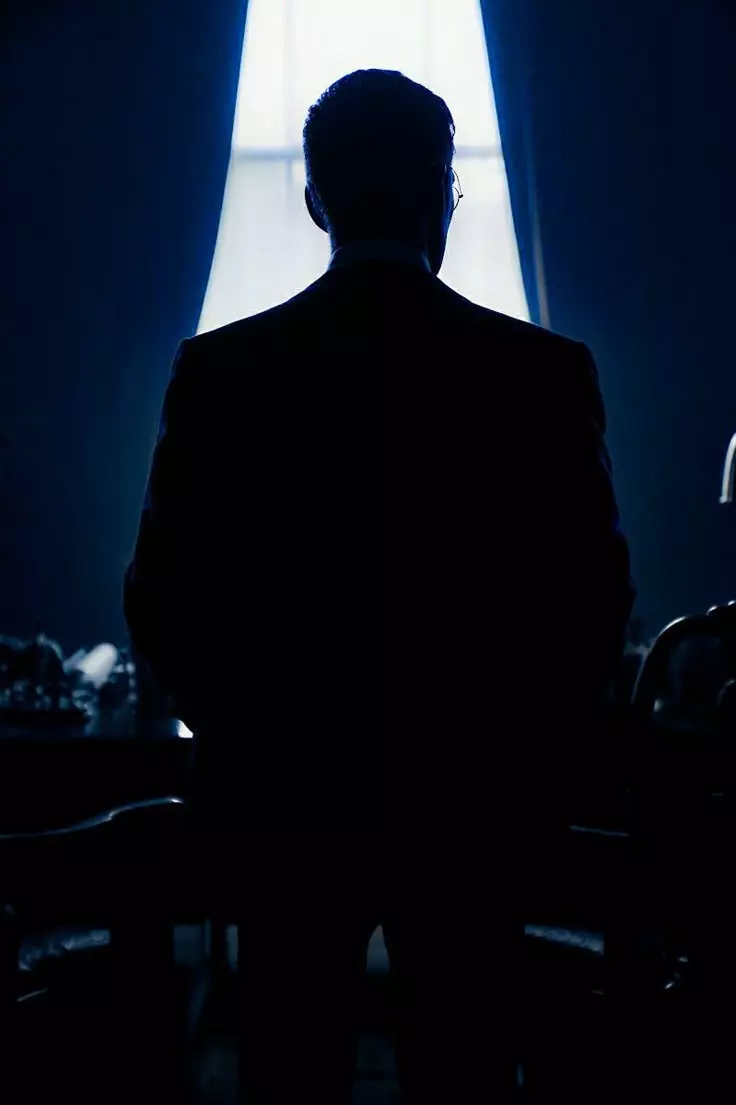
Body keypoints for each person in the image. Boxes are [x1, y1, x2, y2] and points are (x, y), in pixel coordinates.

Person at [124, 69, 635, 1104]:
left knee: (289, 1068)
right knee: (467, 1068)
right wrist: (523, 747)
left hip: (283, 800)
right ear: (443, 191)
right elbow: (595, 602)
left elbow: (161, 596)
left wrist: (249, 730)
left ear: (318, 199)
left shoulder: (222, 372)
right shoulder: (542, 373)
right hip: (476, 803)